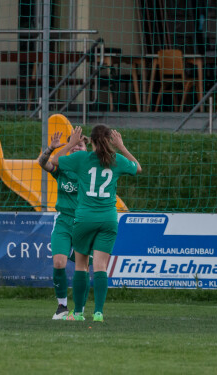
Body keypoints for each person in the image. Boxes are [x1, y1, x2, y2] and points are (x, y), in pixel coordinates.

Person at [52, 124, 141, 322]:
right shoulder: (116, 160)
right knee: (100, 266)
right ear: (111, 141)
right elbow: (138, 168)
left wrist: (71, 144)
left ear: (90, 141)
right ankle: (98, 312)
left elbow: (55, 160)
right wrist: (122, 147)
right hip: (108, 218)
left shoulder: (82, 158)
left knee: (81, 266)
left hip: (84, 219)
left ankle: (78, 313)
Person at [38, 131, 91, 320]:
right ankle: (62, 307)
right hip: (63, 220)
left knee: (83, 267)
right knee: (58, 262)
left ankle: (80, 310)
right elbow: (43, 163)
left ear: (87, 150)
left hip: (84, 223)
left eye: (81, 145)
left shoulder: (91, 170)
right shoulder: (63, 167)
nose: (77, 147)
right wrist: (54, 147)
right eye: (74, 144)